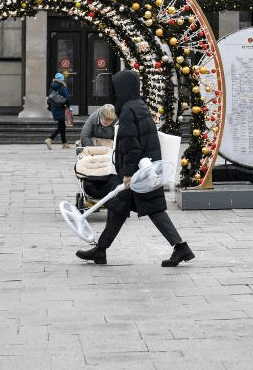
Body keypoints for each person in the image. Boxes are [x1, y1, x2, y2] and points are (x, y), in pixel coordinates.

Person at [75, 69, 193, 267]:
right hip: (145, 169)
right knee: (117, 209)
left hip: (139, 173)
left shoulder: (129, 111)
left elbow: (131, 145)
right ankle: (101, 250)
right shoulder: (139, 106)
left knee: (154, 211)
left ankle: (180, 247)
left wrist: (129, 174)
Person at [45, 72, 70, 150]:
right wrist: (68, 108)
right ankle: (50, 139)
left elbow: (49, 98)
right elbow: (67, 98)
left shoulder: (52, 87)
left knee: (62, 125)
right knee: (61, 126)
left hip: (55, 108)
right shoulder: (62, 87)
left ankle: (64, 143)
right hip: (62, 108)